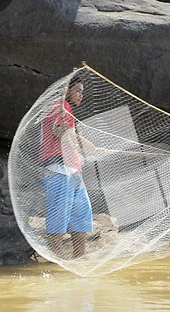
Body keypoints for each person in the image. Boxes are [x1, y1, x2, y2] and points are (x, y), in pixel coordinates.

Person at [38, 74, 97, 259]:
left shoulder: (68, 110)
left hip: (72, 172)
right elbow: (59, 131)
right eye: (78, 90)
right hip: (57, 170)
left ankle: (79, 258)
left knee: (82, 215)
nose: (81, 95)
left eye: (82, 92)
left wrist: (84, 144)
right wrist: (83, 142)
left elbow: (68, 135)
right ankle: (54, 261)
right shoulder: (59, 106)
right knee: (58, 217)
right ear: (67, 90)